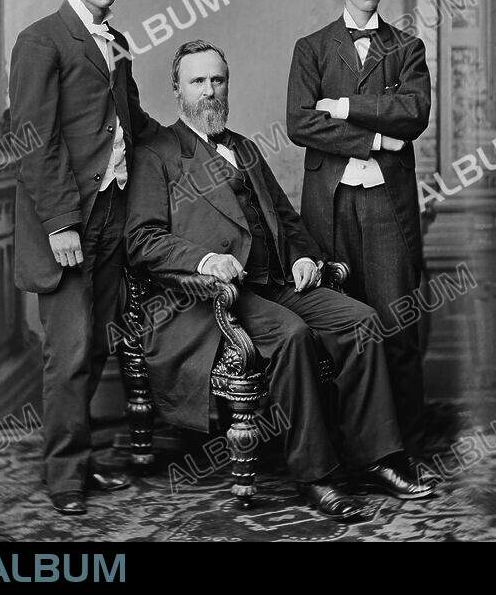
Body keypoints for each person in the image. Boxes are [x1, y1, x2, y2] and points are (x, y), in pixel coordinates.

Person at [126, 40, 435, 522]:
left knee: (362, 321)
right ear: (177, 90)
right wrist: (203, 260)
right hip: (212, 300)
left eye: (217, 80)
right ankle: (317, 478)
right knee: (291, 335)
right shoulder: (157, 154)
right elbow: (142, 240)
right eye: (198, 82)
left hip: (274, 284)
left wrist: (306, 257)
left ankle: (379, 457)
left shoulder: (244, 147)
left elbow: (287, 219)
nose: (210, 91)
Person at [10, 0, 159, 515]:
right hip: (69, 221)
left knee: (96, 346)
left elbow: (132, 120)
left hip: (114, 215)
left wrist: (195, 141)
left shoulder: (117, 41)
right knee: (68, 351)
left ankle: (82, 459)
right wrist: (60, 223)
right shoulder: (41, 40)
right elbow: (33, 140)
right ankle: (65, 477)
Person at [286, 0, 432, 467]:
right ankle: (343, 448)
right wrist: (375, 137)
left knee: (396, 321)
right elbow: (300, 121)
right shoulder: (312, 47)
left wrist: (344, 106)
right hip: (330, 208)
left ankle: (403, 450)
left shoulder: (407, 47)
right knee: (339, 324)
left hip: (387, 209)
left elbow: (414, 114)